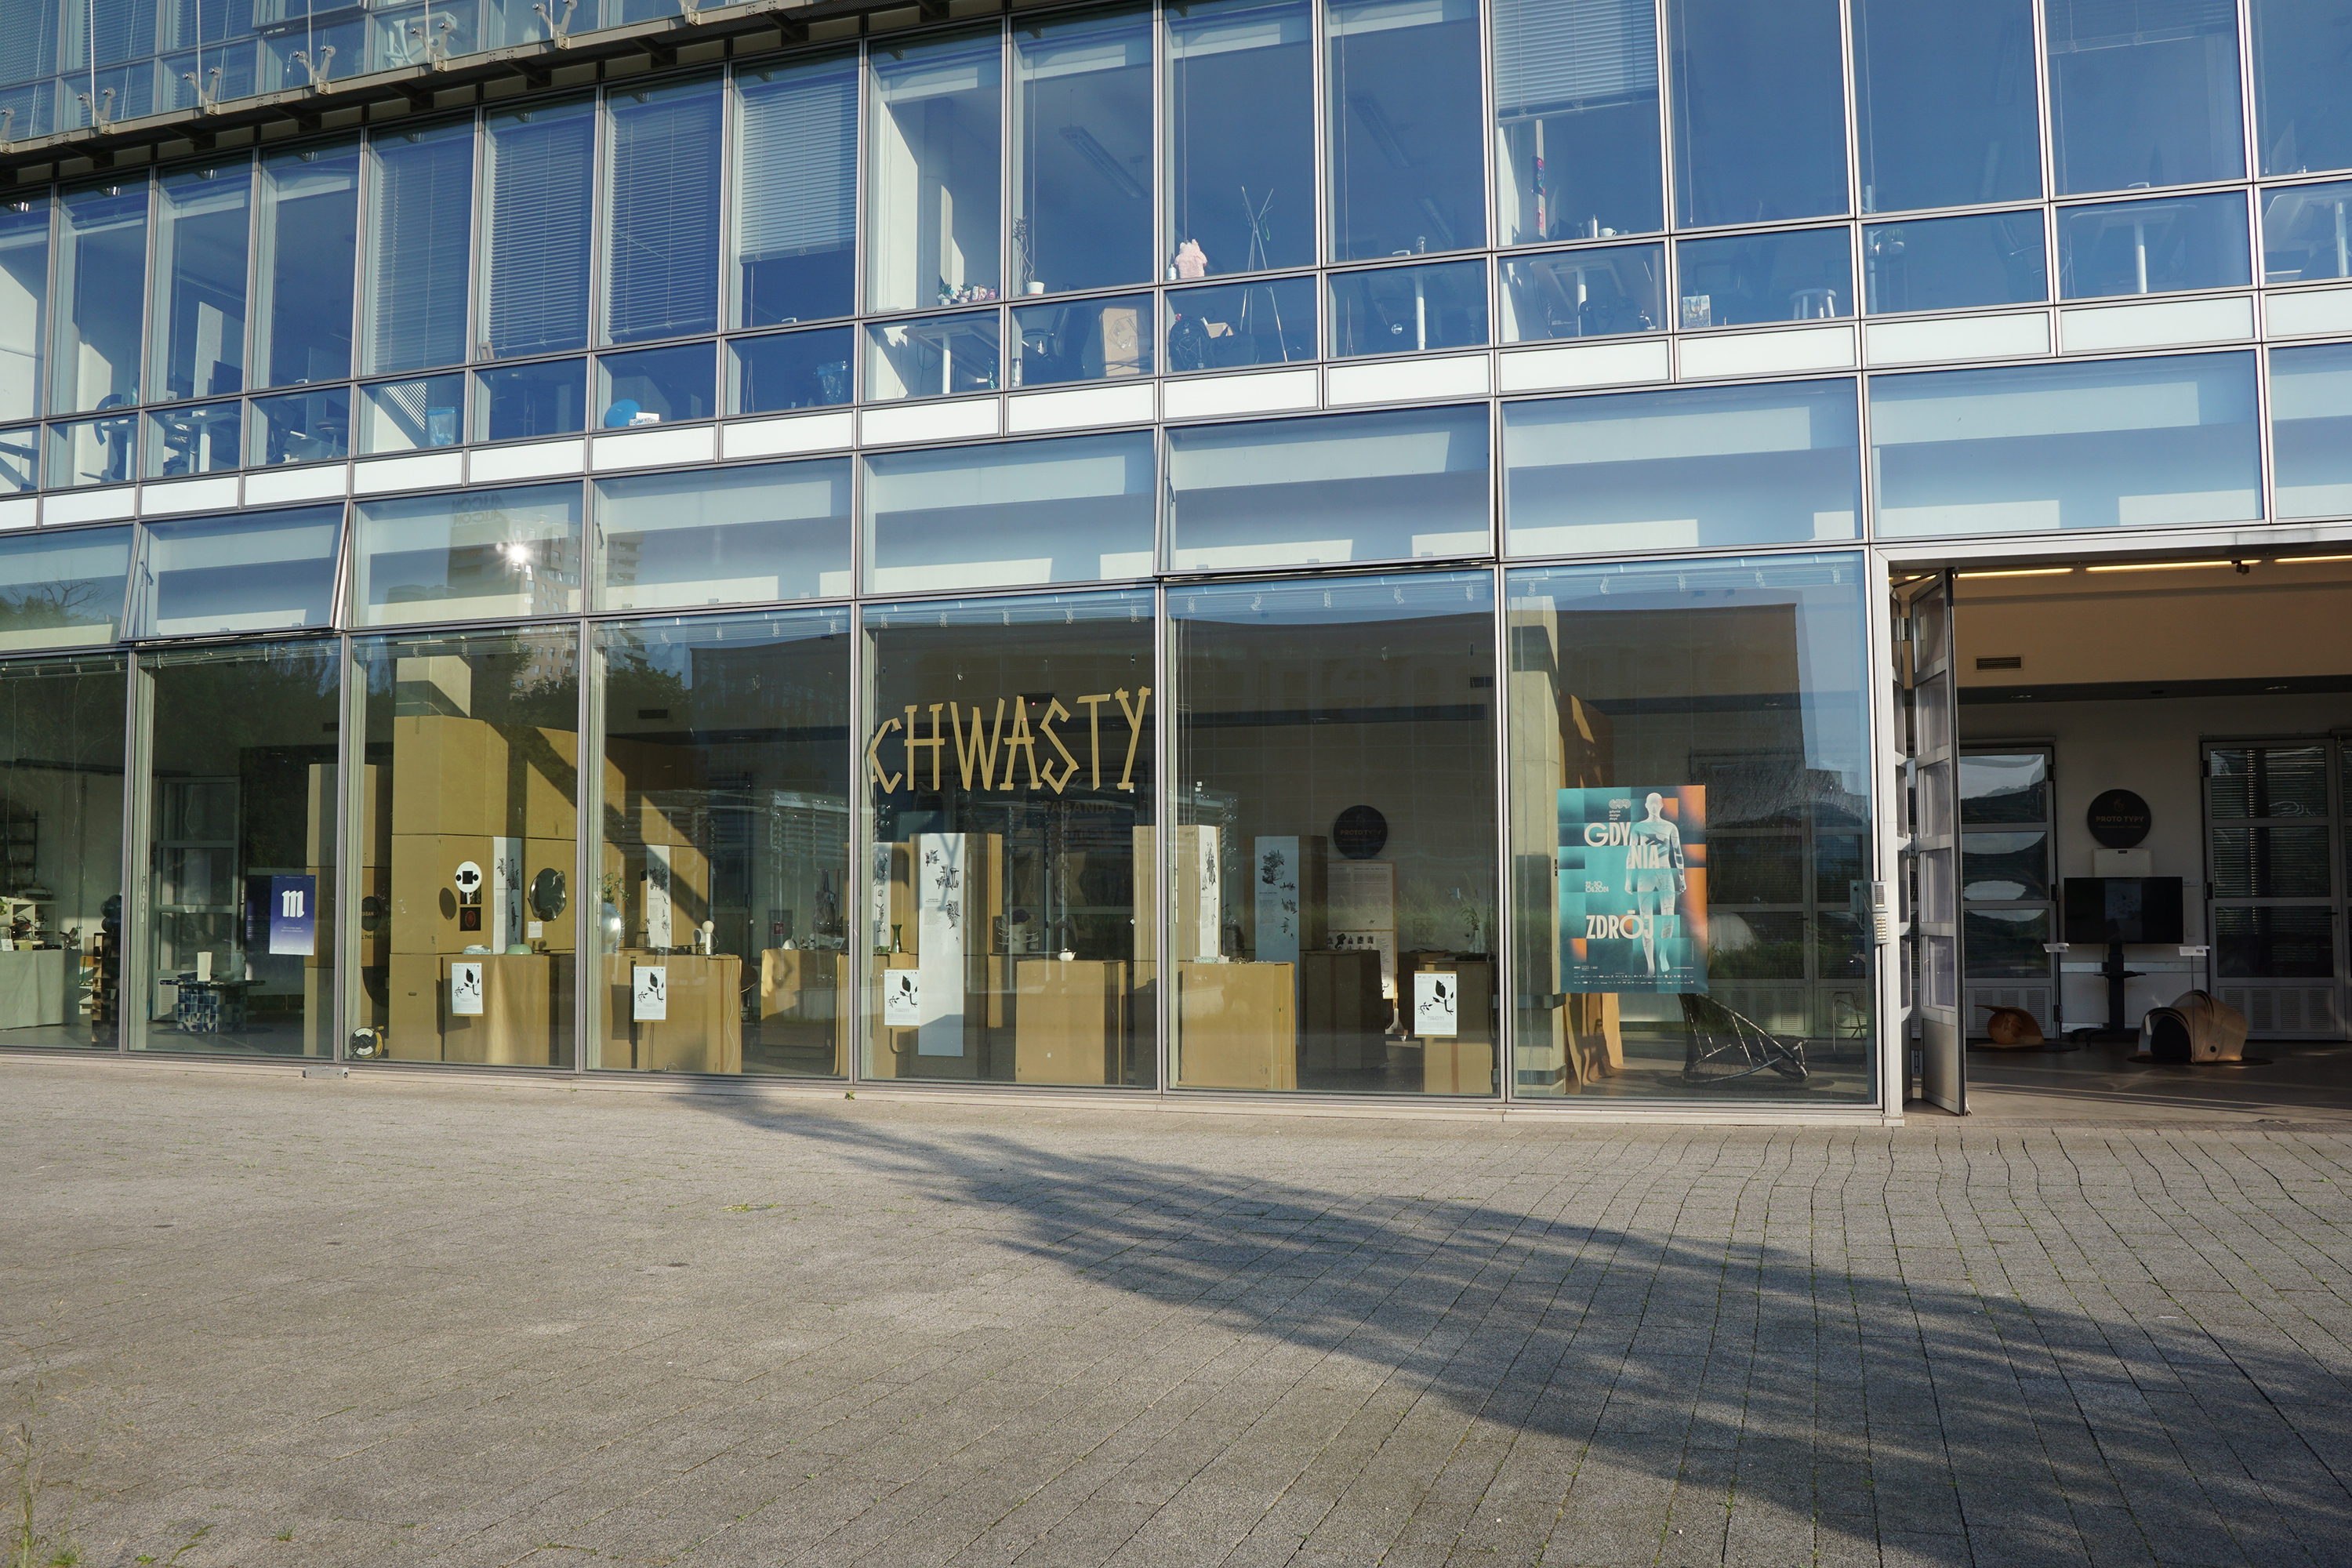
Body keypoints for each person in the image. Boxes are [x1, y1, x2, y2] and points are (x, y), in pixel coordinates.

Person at [1622, 792, 1686, 979]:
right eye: (1651, 803)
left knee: (1669, 918)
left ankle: (1662, 955)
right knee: (1646, 921)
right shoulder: (1638, 828)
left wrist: (1682, 878)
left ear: (1662, 805)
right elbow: (1631, 854)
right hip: (1646, 874)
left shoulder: (1670, 827)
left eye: (1657, 803)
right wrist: (1628, 879)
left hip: (1666, 873)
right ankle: (1650, 966)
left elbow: (1678, 853)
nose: (1655, 806)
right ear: (1646, 805)